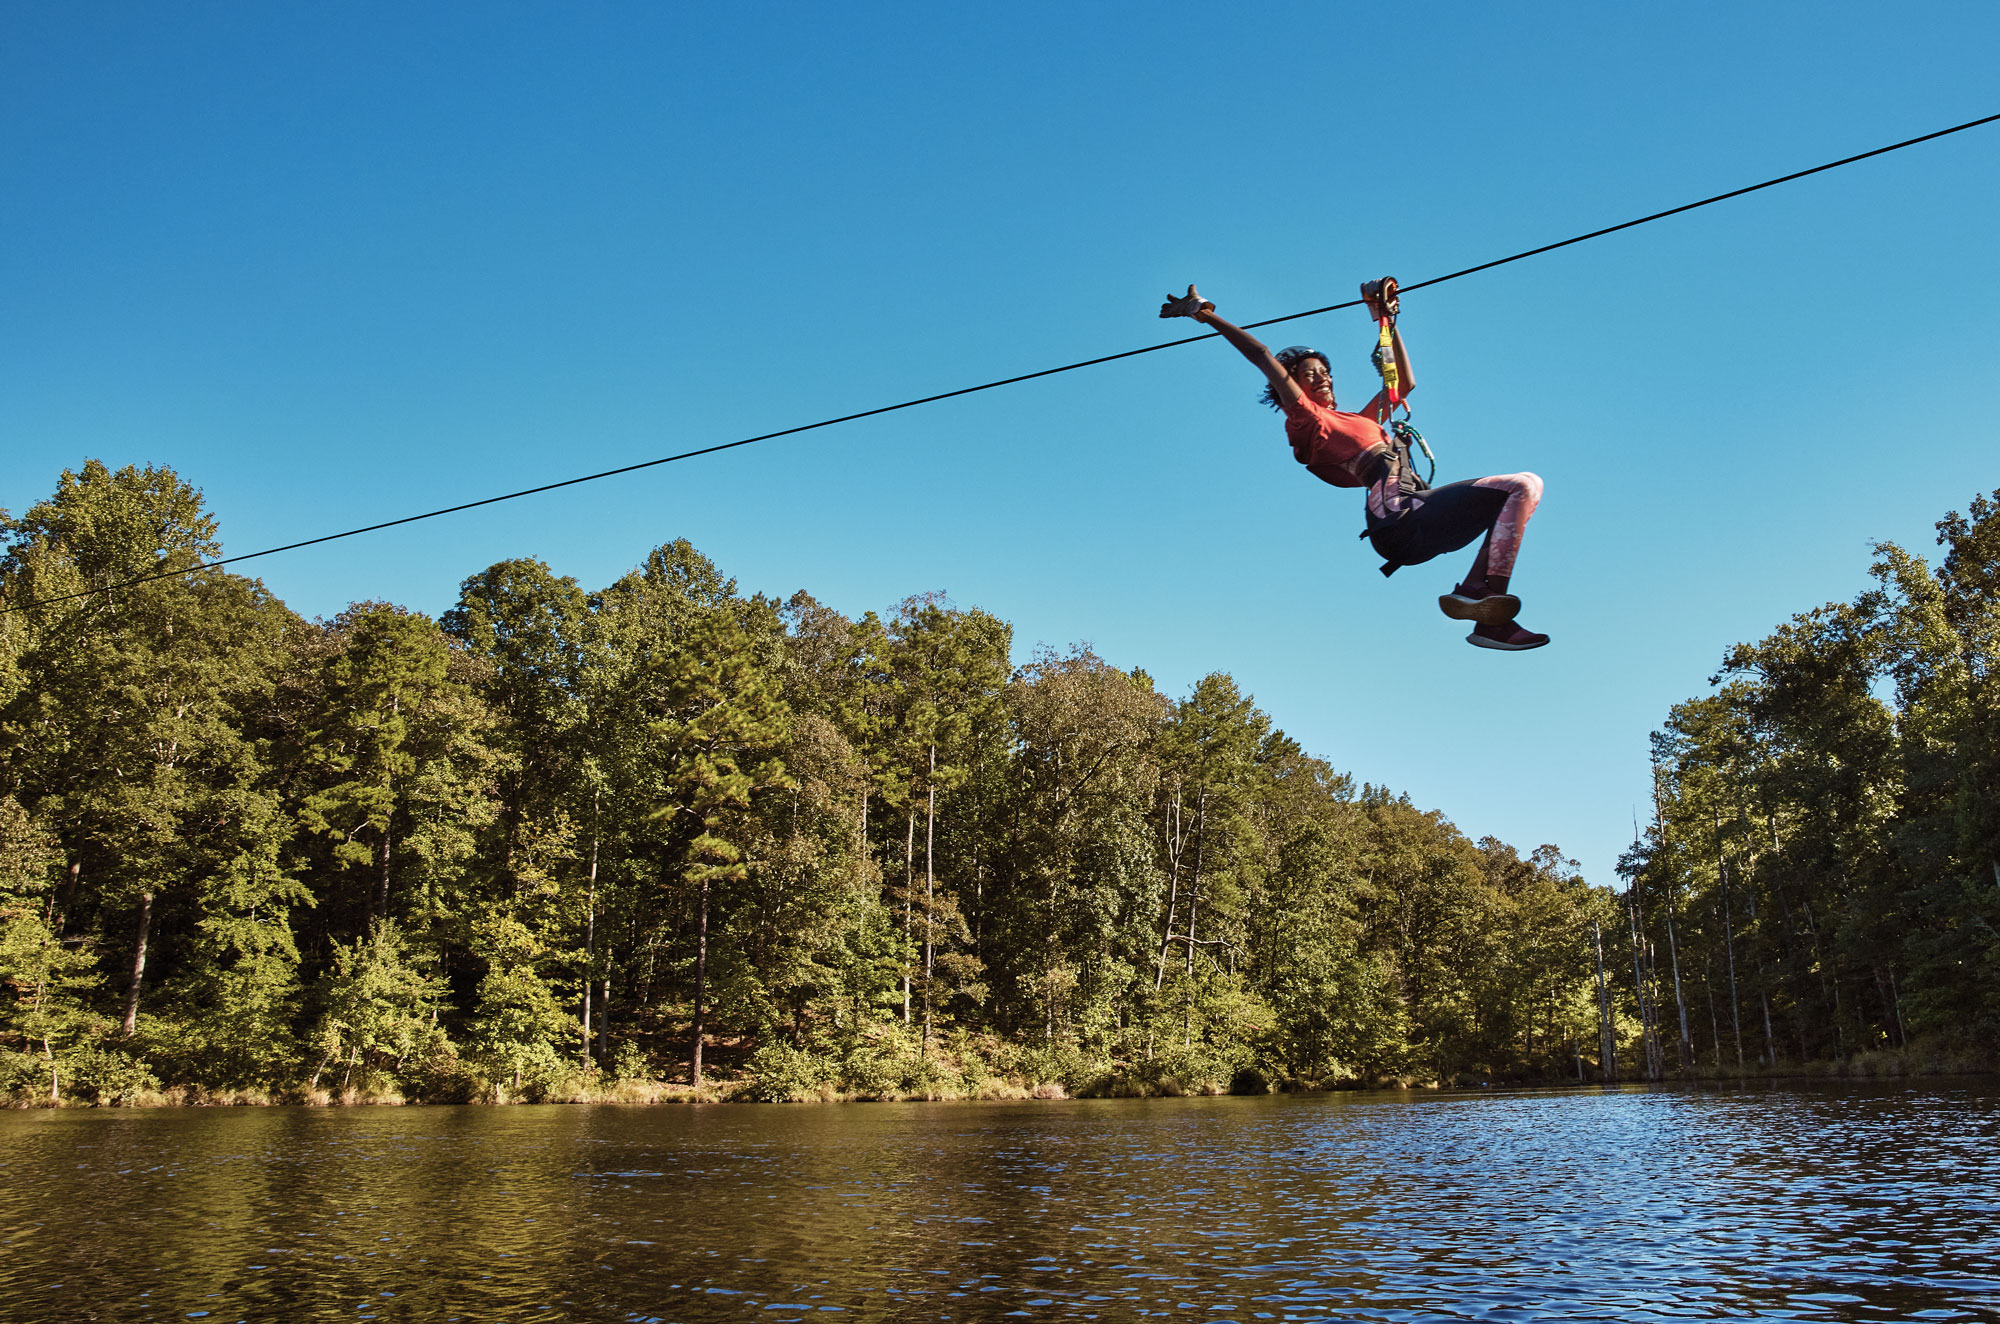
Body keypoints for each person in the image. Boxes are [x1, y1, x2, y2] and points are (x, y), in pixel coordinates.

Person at [1159, 281, 1548, 650]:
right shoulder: (1308, 420)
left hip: (1418, 513)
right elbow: (1261, 354)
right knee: (1522, 484)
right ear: (1292, 386)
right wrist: (1204, 314)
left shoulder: (1361, 421)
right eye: (1309, 374)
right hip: (1400, 521)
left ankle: (1483, 606)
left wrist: (1384, 319)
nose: (1322, 377)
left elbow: (1402, 384)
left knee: (1520, 492)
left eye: (1325, 371)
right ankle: (1483, 593)